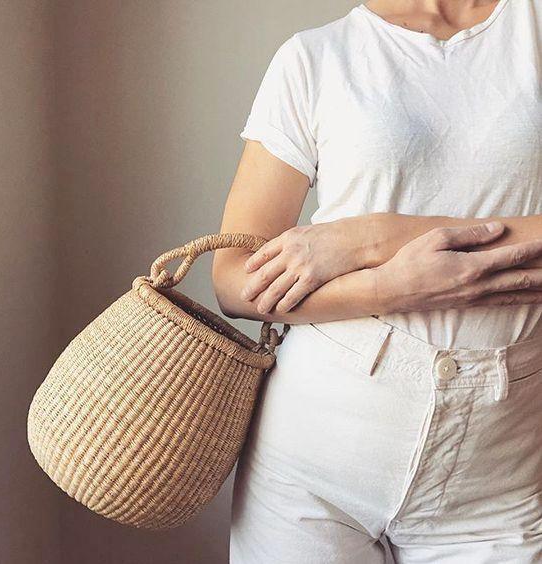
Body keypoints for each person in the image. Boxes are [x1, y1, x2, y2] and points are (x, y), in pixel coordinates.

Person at [211, 1, 542, 561]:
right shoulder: (314, 58)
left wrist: (376, 237)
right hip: (310, 465)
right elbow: (234, 281)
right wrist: (392, 287)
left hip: (496, 473)